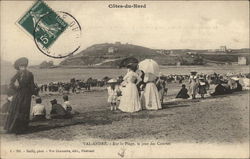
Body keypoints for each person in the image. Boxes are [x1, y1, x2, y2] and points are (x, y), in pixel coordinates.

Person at [4, 57, 37, 134]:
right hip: (21, 94)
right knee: (18, 109)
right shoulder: (20, 73)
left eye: (24, 66)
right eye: (21, 67)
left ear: (26, 66)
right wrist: (16, 88)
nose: (23, 68)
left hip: (24, 94)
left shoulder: (28, 74)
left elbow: (31, 85)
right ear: (19, 67)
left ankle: (20, 128)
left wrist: (34, 93)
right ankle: (16, 128)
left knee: (23, 110)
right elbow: (11, 82)